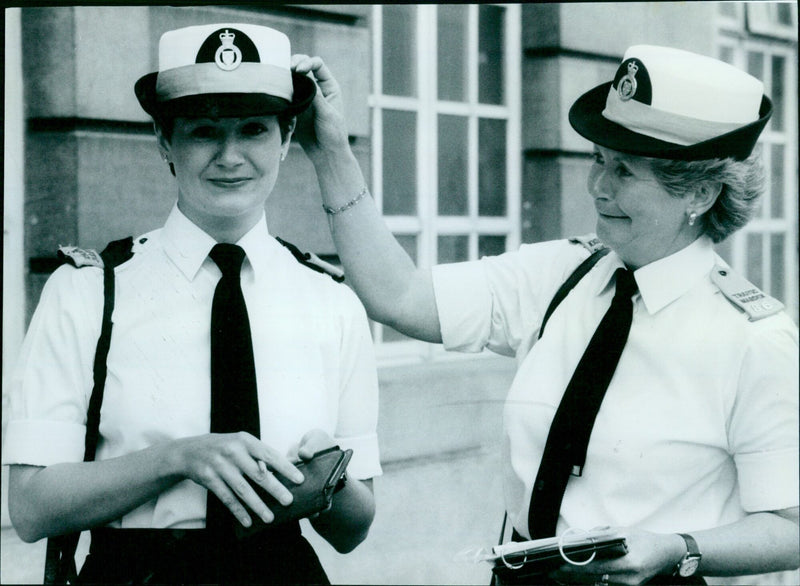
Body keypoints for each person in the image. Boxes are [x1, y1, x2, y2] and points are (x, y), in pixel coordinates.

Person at [291, 44, 799, 584]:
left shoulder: (753, 339)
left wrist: (677, 548)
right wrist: (329, 151)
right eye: (599, 160)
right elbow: (401, 297)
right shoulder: (563, 273)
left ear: (698, 191)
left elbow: (791, 527)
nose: (598, 187)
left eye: (624, 171)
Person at [3, 23, 381, 584]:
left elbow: (353, 531)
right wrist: (180, 458)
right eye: (204, 131)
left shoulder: (332, 302)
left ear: (285, 136)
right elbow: (31, 508)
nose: (230, 156)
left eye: (254, 129)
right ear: (164, 140)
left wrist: (331, 477)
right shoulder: (88, 292)